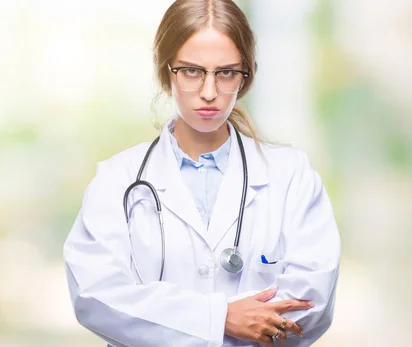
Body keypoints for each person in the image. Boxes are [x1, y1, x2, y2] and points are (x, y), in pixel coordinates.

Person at [62, 0, 341, 346]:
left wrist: (180, 321)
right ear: (167, 72)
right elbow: (96, 297)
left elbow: (311, 301)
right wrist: (219, 318)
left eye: (225, 72)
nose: (209, 92)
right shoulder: (116, 181)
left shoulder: (292, 177)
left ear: (245, 76)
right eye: (192, 71)